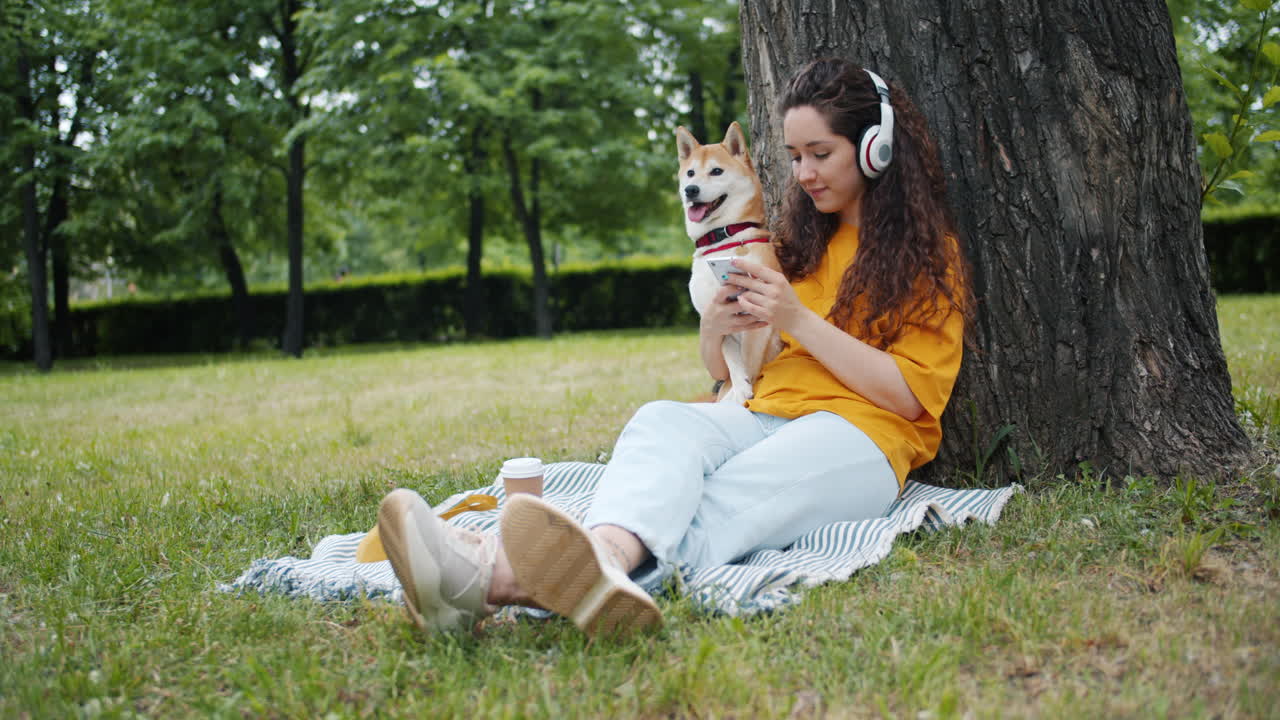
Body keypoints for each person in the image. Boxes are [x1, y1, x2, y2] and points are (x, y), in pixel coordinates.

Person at [376, 57, 973, 637]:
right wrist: (715, 327)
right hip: (763, 412)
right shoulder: (796, 244)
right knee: (660, 421)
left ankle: (487, 574)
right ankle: (604, 553)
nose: (803, 173)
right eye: (794, 157)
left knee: (724, 498)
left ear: (876, 148)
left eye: (821, 154)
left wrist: (796, 317)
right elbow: (725, 368)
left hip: (860, 436)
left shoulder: (928, 256)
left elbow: (909, 398)